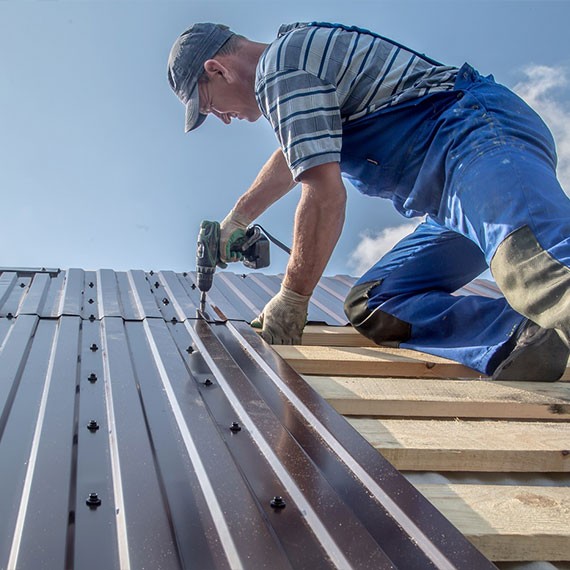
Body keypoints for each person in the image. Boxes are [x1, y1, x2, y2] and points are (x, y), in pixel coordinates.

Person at [167, 22, 570, 381]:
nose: (220, 117)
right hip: (449, 201)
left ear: (216, 69)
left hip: (476, 139)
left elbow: (324, 193)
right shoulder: (293, 75)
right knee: (375, 302)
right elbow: (294, 154)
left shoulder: (281, 68)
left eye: (208, 105)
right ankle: (523, 336)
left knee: (535, 264)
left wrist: (293, 298)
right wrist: (238, 217)